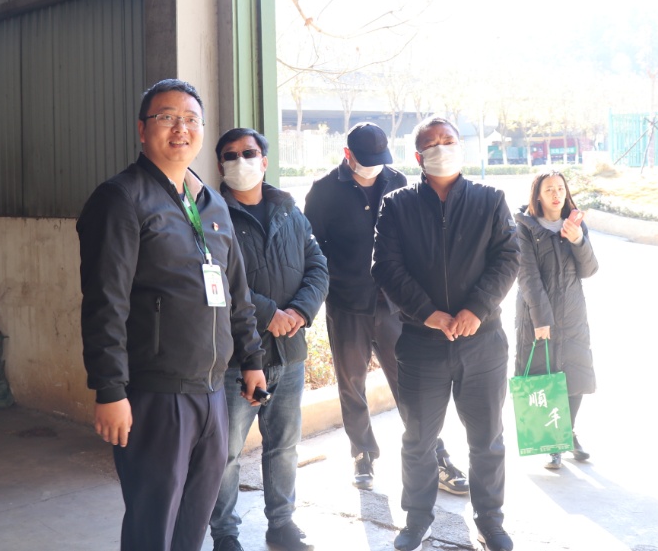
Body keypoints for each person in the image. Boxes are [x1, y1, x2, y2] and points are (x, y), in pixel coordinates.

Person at [77, 79, 267, 551]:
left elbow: (235, 290)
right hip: (156, 394)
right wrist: (110, 389)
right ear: (143, 130)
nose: (181, 128)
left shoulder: (211, 202)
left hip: (213, 392)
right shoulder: (122, 198)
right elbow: (105, 301)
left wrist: (251, 358)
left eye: (191, 119)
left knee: (192, 522)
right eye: (166, 117)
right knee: (154, 523)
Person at [372, 116, 519, 551]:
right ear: (418, 156)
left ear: (461, 146)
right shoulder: (397, 204)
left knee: (487, 440)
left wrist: (476, 309)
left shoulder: (490, 199)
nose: (441, 148)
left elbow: (508, 257)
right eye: (431, 143)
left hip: (483, 342)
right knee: (418, 441)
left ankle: (490, 521)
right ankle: (417, 520)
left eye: (448, 140)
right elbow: (385, 266)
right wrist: (428, 314)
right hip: (421, 343)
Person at [303, 123, 469, 495]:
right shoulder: (324, 191)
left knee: (410, 383)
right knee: (352, 384)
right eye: (367, 160)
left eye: (380, 159)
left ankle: (436, 454)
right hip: (347, 304)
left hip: (395, 305)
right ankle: (362, 454)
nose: (374, 166)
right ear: (348, 155)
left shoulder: (398, 181)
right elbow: (312, 249)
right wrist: (332, 284)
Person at [209, 128, 329, 551]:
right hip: (236, 360)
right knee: (225, 454)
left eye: (249, 153)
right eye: (230, 155)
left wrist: (298, 312)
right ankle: (225, 535)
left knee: (283, 447)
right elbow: (216, 280)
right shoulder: (212, 215)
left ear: (264, 160)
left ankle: (282, 525)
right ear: (220, 164)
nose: (240, 161)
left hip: (289, 354)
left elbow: (318, 266)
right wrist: (268, 314)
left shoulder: (289, 211)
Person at [513, 170, 599, 471]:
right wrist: (541, 319)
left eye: (560, 188)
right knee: (544, 376)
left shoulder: (574, 224)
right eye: (549, 189)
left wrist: (578, 241)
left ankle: (568, 433)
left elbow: (589, 270)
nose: (556, 194)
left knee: (574, 374)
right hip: (537, 314)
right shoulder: (525, 227)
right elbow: (527, 275)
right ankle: (551, 442)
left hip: (573, 311)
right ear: (538, 195)